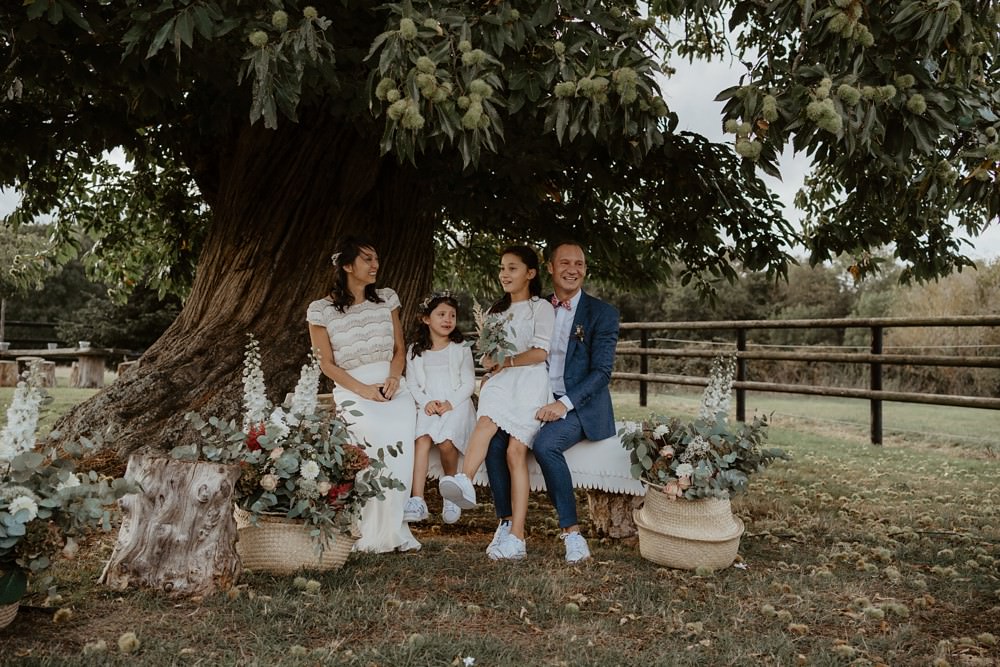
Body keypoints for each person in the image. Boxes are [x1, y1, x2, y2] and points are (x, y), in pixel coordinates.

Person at [484, 241, 619, 563]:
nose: (573, 270)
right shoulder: (535, 307)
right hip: (532, 397)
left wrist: (564, 404)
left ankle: (572, 534)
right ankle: (507, 526)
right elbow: (515, 352)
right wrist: (495, 372)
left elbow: (601, 372)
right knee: (494, 441)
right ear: (550, 267)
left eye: (579, 264)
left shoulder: (602, 314)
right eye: (565, 263)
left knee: (546, 445)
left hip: (579, 405)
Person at [439, 245, 555, 561]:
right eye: (502, 268)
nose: (504, 274)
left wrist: (507, 361)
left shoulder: (541, 308)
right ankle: (464, 480)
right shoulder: (495, 311)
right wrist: (490, 363)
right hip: (501, 380)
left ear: (530, 273)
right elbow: (489, 356)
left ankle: (517, 536)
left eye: (512, 268)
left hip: (530, 381)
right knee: (486, 420)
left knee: (515, 452)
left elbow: (541, 353)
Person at [306, 236, 420, 553]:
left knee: (399, 452)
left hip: (393, 388)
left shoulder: (387, 299)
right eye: (367, 259)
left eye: (376, 259)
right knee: (371, 441)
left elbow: (399, 349)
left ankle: (396, 527)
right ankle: (365, 529)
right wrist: (363, 390)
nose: (375, 265)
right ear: (347, 265)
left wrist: (394, 378)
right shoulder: (321, 310)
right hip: (353, 390)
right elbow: (326, 364)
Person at [403, 292, 477, 525]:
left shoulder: (460, 347)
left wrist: (450, 403)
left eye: (452, 315)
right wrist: (425, 402)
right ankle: (417, 499)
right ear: (426, 319)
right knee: (421, 439)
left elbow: (468, 383)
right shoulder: (415, 350)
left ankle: (451, 490)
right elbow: (412, 383)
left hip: (456, 404)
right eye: (441, 314)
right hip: (428, 404)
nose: (448, 319)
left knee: (446, 441)